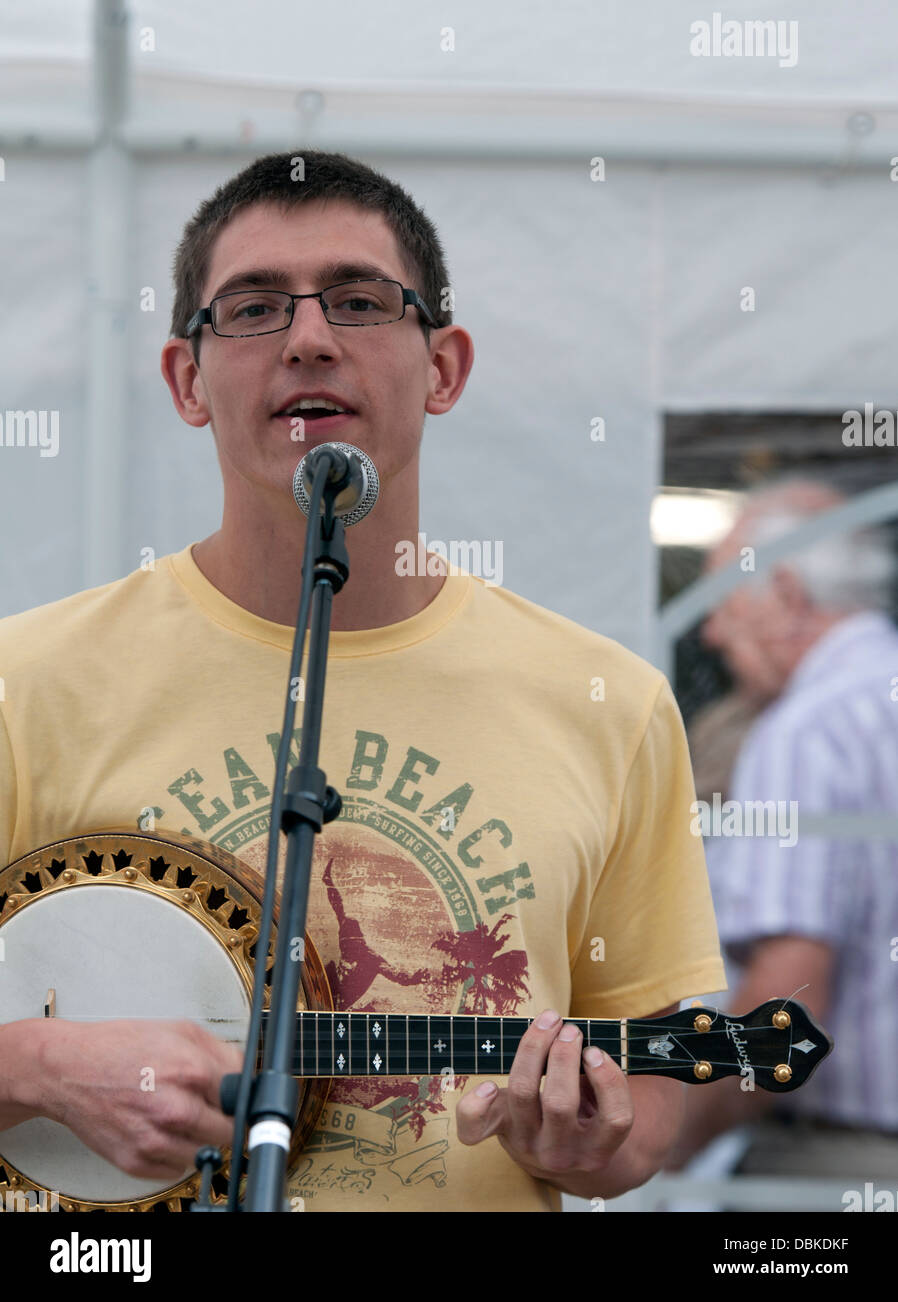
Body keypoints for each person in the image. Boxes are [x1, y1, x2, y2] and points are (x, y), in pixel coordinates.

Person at [0, 150, 726, 1212]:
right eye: (251, 307)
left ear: (442, 366)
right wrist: (37, 1069)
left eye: (358, 299)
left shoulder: (603, 700)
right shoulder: (27, 681)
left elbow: (647, 1093)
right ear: (185, 380)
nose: (307, 338)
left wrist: (588, 1141)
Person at [666, 476, 898, 1191]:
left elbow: (784, 1012)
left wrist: (664, 1134)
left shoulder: (806, 730)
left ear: (789, 596)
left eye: (720, 602)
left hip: (839, 1164)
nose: (709, 633)